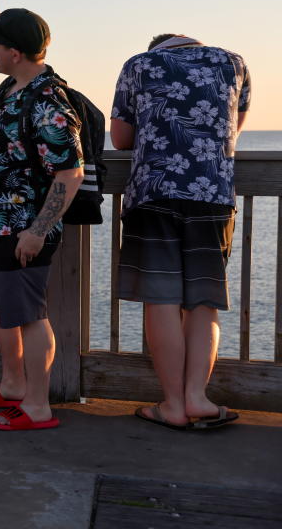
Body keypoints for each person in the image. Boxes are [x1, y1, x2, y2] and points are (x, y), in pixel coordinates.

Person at [111, 33, 250, 430]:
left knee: (162, 300)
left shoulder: (139, 64)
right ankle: (197, 398)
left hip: (154, 191)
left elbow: (121, 139)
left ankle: (172, 405)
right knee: (203, 301)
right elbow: (233, 129)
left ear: (159, 47)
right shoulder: (233, 63)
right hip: (213, 192)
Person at [0, 8, 84, 431]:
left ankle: (38, 405)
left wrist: (38, 229)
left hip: (23, 227)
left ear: (13, 51)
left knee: (29, 315)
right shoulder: (9, 89)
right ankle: (12, 384)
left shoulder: (48, 99)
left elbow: (69, 171)